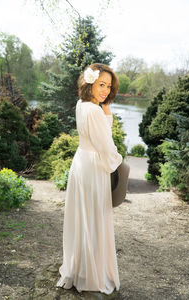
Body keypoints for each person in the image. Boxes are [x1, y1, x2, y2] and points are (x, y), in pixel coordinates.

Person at [56, 63, 122, 295]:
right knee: (94, 217)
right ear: (90, 82)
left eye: (108, 86)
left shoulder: (81, 105)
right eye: (101, 84)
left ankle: (81, 267)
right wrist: (117, 161)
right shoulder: (94, 110)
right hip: (93, 167)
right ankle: (92, 273)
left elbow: (96, 137)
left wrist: (106, 115)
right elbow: (106, 146)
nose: (105, 90)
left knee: (83, 217)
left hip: (81, 162)